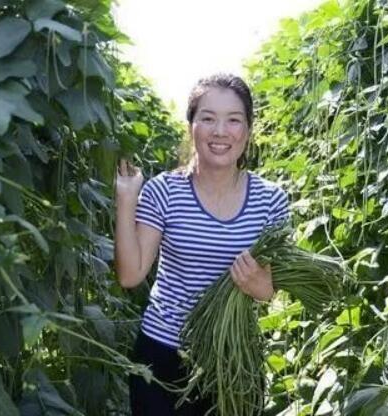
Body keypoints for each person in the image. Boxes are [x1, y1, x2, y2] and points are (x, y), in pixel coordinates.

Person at [114, 73, 291, 415]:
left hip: (234, 360)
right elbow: (130, 275)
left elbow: (272, 289)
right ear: (191, 126)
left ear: (248, 130)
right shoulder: (164, 191)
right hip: (162, 356)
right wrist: (126, 199)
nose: (220, 131)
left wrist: (260, 285)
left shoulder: (271, 200)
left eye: (233, 120)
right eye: (207, 118)